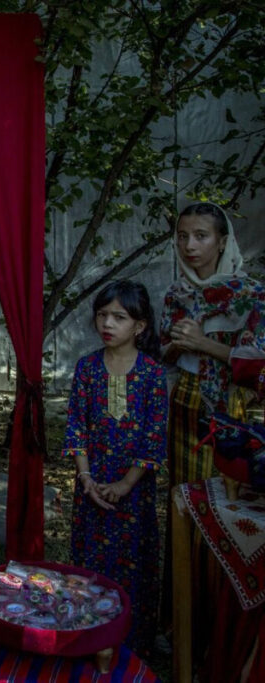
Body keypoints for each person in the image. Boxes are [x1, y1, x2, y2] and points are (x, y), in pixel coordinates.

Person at [62, 280, 166, 654]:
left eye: (118, 317)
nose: (107, 323)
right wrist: (86, 477)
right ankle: (88, 638)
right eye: (102, 315)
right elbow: (76, 426)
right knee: (90, 567)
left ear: (139, 326)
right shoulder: (87, 369)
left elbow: (154, 438)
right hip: (91, 489)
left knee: (133, 566)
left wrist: (125, 484)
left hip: (134, 493)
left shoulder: (153, 374)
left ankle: (132, 645)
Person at [161, 201, 265, 485]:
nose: (189, 245)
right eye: (182, 236)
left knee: (225, 487)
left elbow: (260, 365)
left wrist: (201, 343)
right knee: (183, 488)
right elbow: (163, 356)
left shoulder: (251, 295)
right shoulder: (176, 293)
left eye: (200, 236)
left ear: (222, 242)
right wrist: (177, 346)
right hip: (182, 399)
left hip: (230, 404)